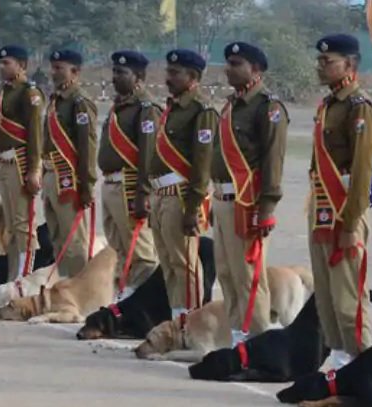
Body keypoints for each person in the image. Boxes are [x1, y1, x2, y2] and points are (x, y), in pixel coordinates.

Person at [309, 34, 372, 369]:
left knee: (349, 294)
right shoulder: (329, 105)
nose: (321, 67)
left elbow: (363, 169)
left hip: (346, 207)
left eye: (328, 61)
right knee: (326, 292)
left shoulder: (359, 107)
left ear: (349, 64)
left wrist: (351, 223)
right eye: (320, 61)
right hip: (322, 206)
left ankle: (361, 360)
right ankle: (338, 355)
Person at [212, 42, 289, 347]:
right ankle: (237, 336)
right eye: (227, 62)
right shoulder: (232, 105)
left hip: (247, 203)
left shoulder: (267, 108)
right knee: (226, 273)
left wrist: (267, 207)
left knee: (248, 278)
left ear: (255, 69)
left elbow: (273, 160)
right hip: (222, 199)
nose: (228, 69)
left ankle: (257, 342)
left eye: (235, 63)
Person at [149, 49, 217, 320]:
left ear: (192, 77)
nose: (168, 77)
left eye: (175, 73)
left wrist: (193, 206)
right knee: (167, 263)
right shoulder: (173, 108)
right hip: (160, 193)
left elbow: (202, 163)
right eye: (168, 71)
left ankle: (192, 321)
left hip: (181, 195)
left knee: (184, 262)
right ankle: (176, 317)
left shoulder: (201, 111)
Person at [98, 50, 159, 298]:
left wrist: (143, 192)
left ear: (139, 76)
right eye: (114, 71)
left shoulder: (146, 109)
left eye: (122, 72)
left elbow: (147, 155)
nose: (115, 77)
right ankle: (121, 296)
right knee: (119, 249)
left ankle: (140, 299)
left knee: (141, 252)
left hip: (129, 186)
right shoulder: (119, 106)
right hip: (111, 185)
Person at [43, 49, 97, 277]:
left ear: (75, 72)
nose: (53, 72)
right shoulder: (56, 100)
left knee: (73, 239)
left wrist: (86, 185)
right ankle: (64, 282)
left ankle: (77, 286)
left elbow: (87, 147)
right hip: (50, 174)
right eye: (53, 67)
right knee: (56, 235)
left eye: (59, 68)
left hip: (69, 178)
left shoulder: (80, 103)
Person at [0, 45, 45, 282]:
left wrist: (34, 169)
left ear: (22, 65)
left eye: (8, 63)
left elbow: (34, 134)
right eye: (1, 63)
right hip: (4, 162)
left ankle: (24, 278)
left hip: (20, 162)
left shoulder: (29, 93)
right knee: (11, 227)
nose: (2, 67)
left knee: (24, 224)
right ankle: (12, 276)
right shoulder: (6, 91)